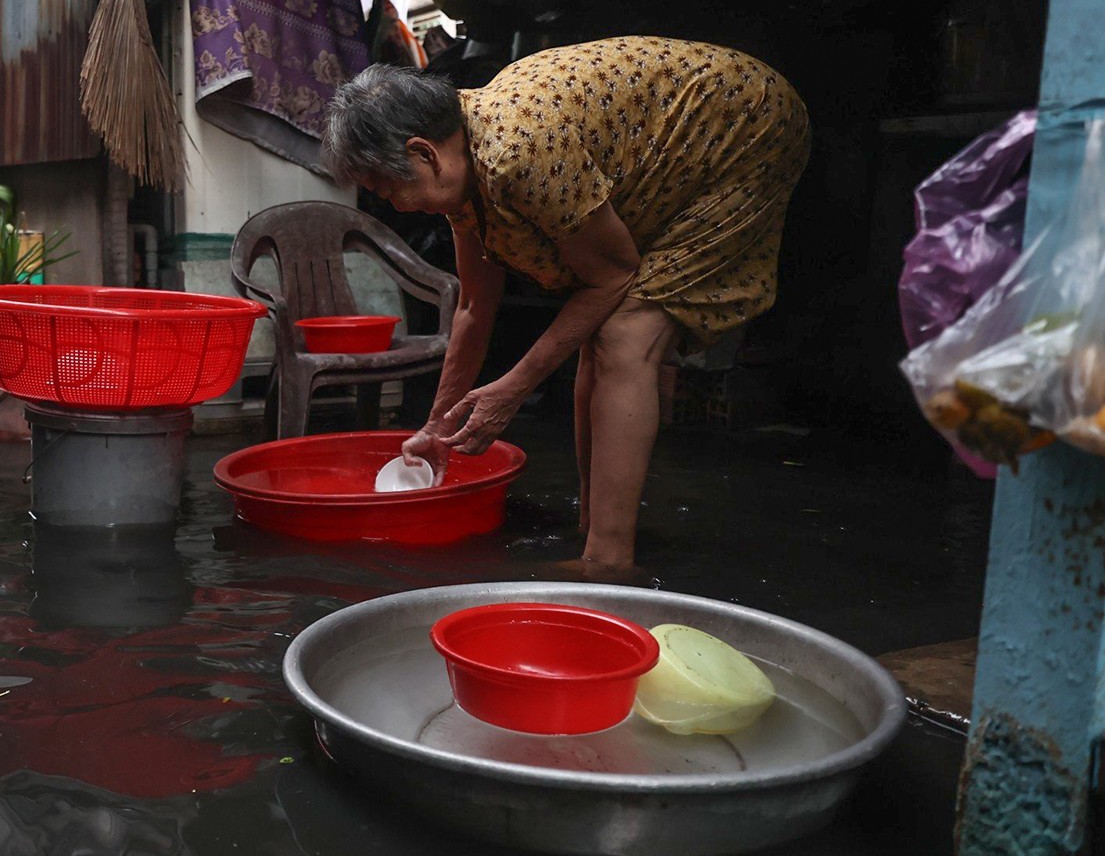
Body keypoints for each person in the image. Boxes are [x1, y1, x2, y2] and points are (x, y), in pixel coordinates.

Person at [322, 37, 810, 577]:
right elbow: (475, 306)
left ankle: (608, 560)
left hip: (742, 123)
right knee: (595, 335)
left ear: (423, 153)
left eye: (389, 188)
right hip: (681, 135)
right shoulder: (461, 159)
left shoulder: (517, 150)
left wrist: (513, 387)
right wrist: (437, 426)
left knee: (625, 333)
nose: (395, 203)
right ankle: (594, 526)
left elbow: (613, 276)